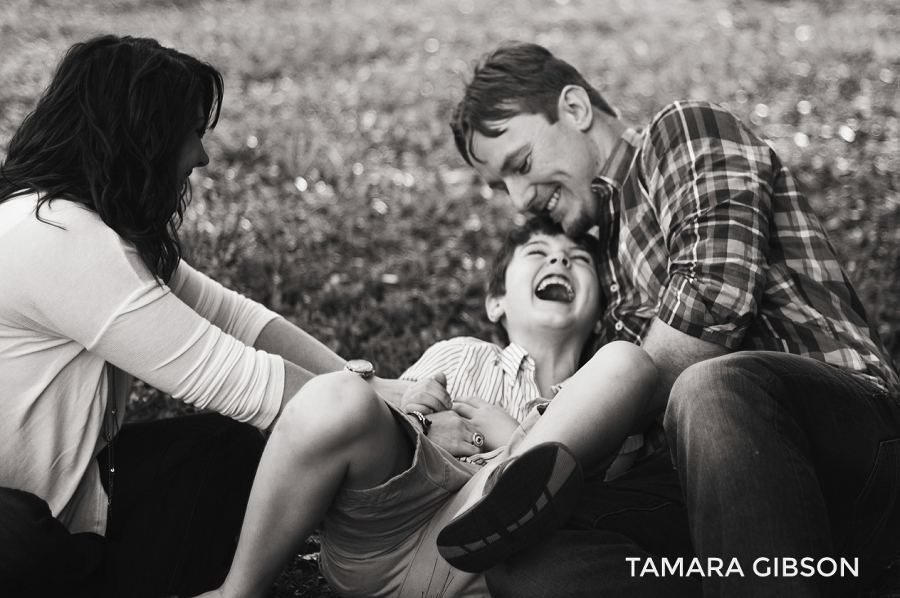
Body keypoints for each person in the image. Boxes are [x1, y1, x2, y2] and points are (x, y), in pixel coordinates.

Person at [449, 42, 900, 598]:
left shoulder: (678, 134)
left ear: (575, 109)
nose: (518, 200)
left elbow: (715, 302)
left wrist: (555, 429)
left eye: (520, 165)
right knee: (534, 564)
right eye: (501, 187)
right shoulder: (602, 267)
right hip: (722, 513)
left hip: (850, 453)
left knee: (710, 385)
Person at [0, 35, 412, 598]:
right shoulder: (57, 238)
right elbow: (242, 381)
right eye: (192, 131)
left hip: (68, 503)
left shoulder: (92, 225)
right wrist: (410, 429)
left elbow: (237, 320)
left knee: (222, 449)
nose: (202, 155)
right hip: (18, 525)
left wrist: (373, 386)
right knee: (21, 543)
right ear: (142, 139)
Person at [196, 215, 681, 598]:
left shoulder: (606, 395)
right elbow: (395, 427)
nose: (559, 262)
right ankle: (236, 591)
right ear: (496, 302)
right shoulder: (464, 353)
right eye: (539, 253)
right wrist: (422, 414)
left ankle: (511, 484)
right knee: (337, 394)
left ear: (599, 307)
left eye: (578, 260)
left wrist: (512, 431)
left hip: (506, 562)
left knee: (630, 362)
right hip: (399, 526)